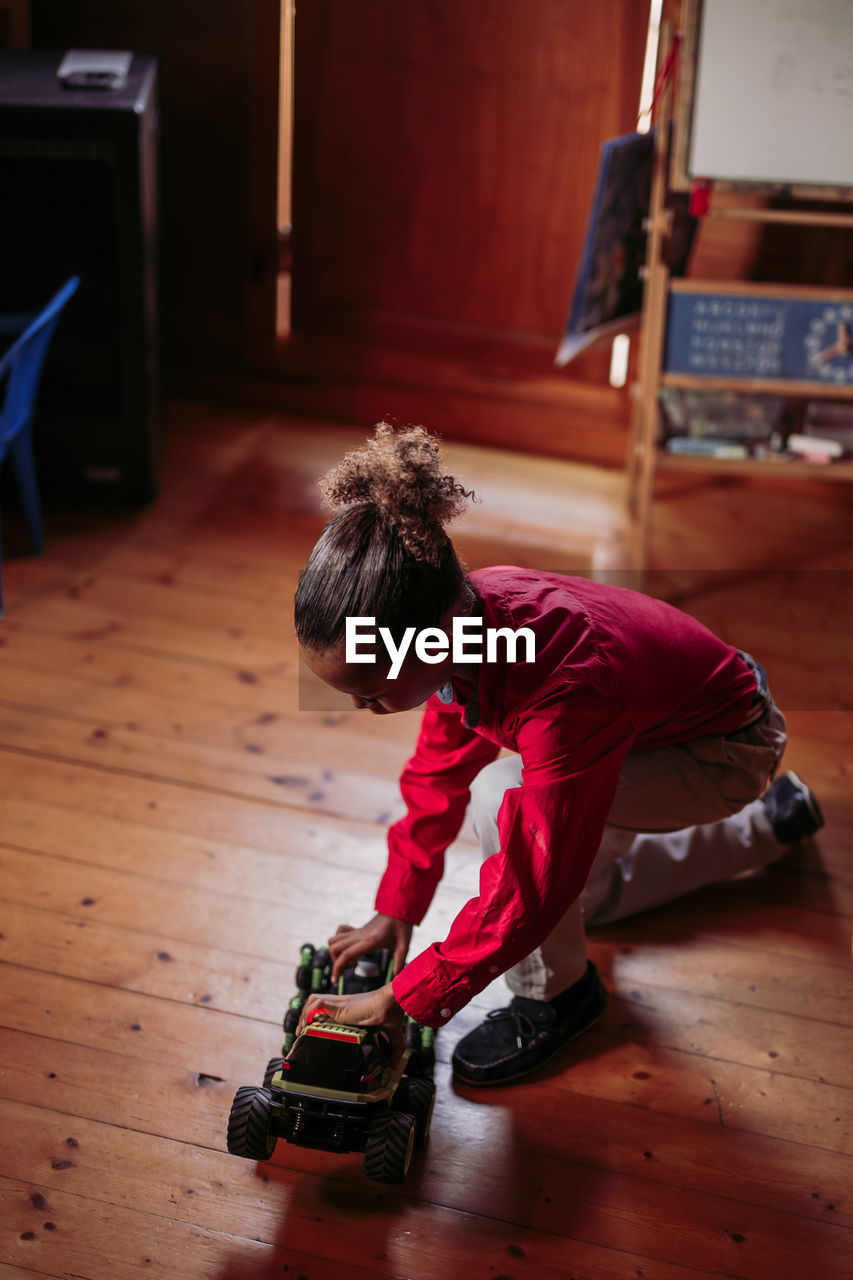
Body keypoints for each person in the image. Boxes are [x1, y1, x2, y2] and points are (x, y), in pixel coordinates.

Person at [293, 423, 824, 1086]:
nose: (356, 707)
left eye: (370, 690)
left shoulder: (563, 686)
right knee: (586, 901)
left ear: (436, 636)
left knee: (504, 803)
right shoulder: (468, 616)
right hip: (680, 725)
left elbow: (532, 881)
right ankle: (769, 826)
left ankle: (557, 1000)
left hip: (720, 752)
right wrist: (398, 904)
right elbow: (436, 770)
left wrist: (405, 1000)